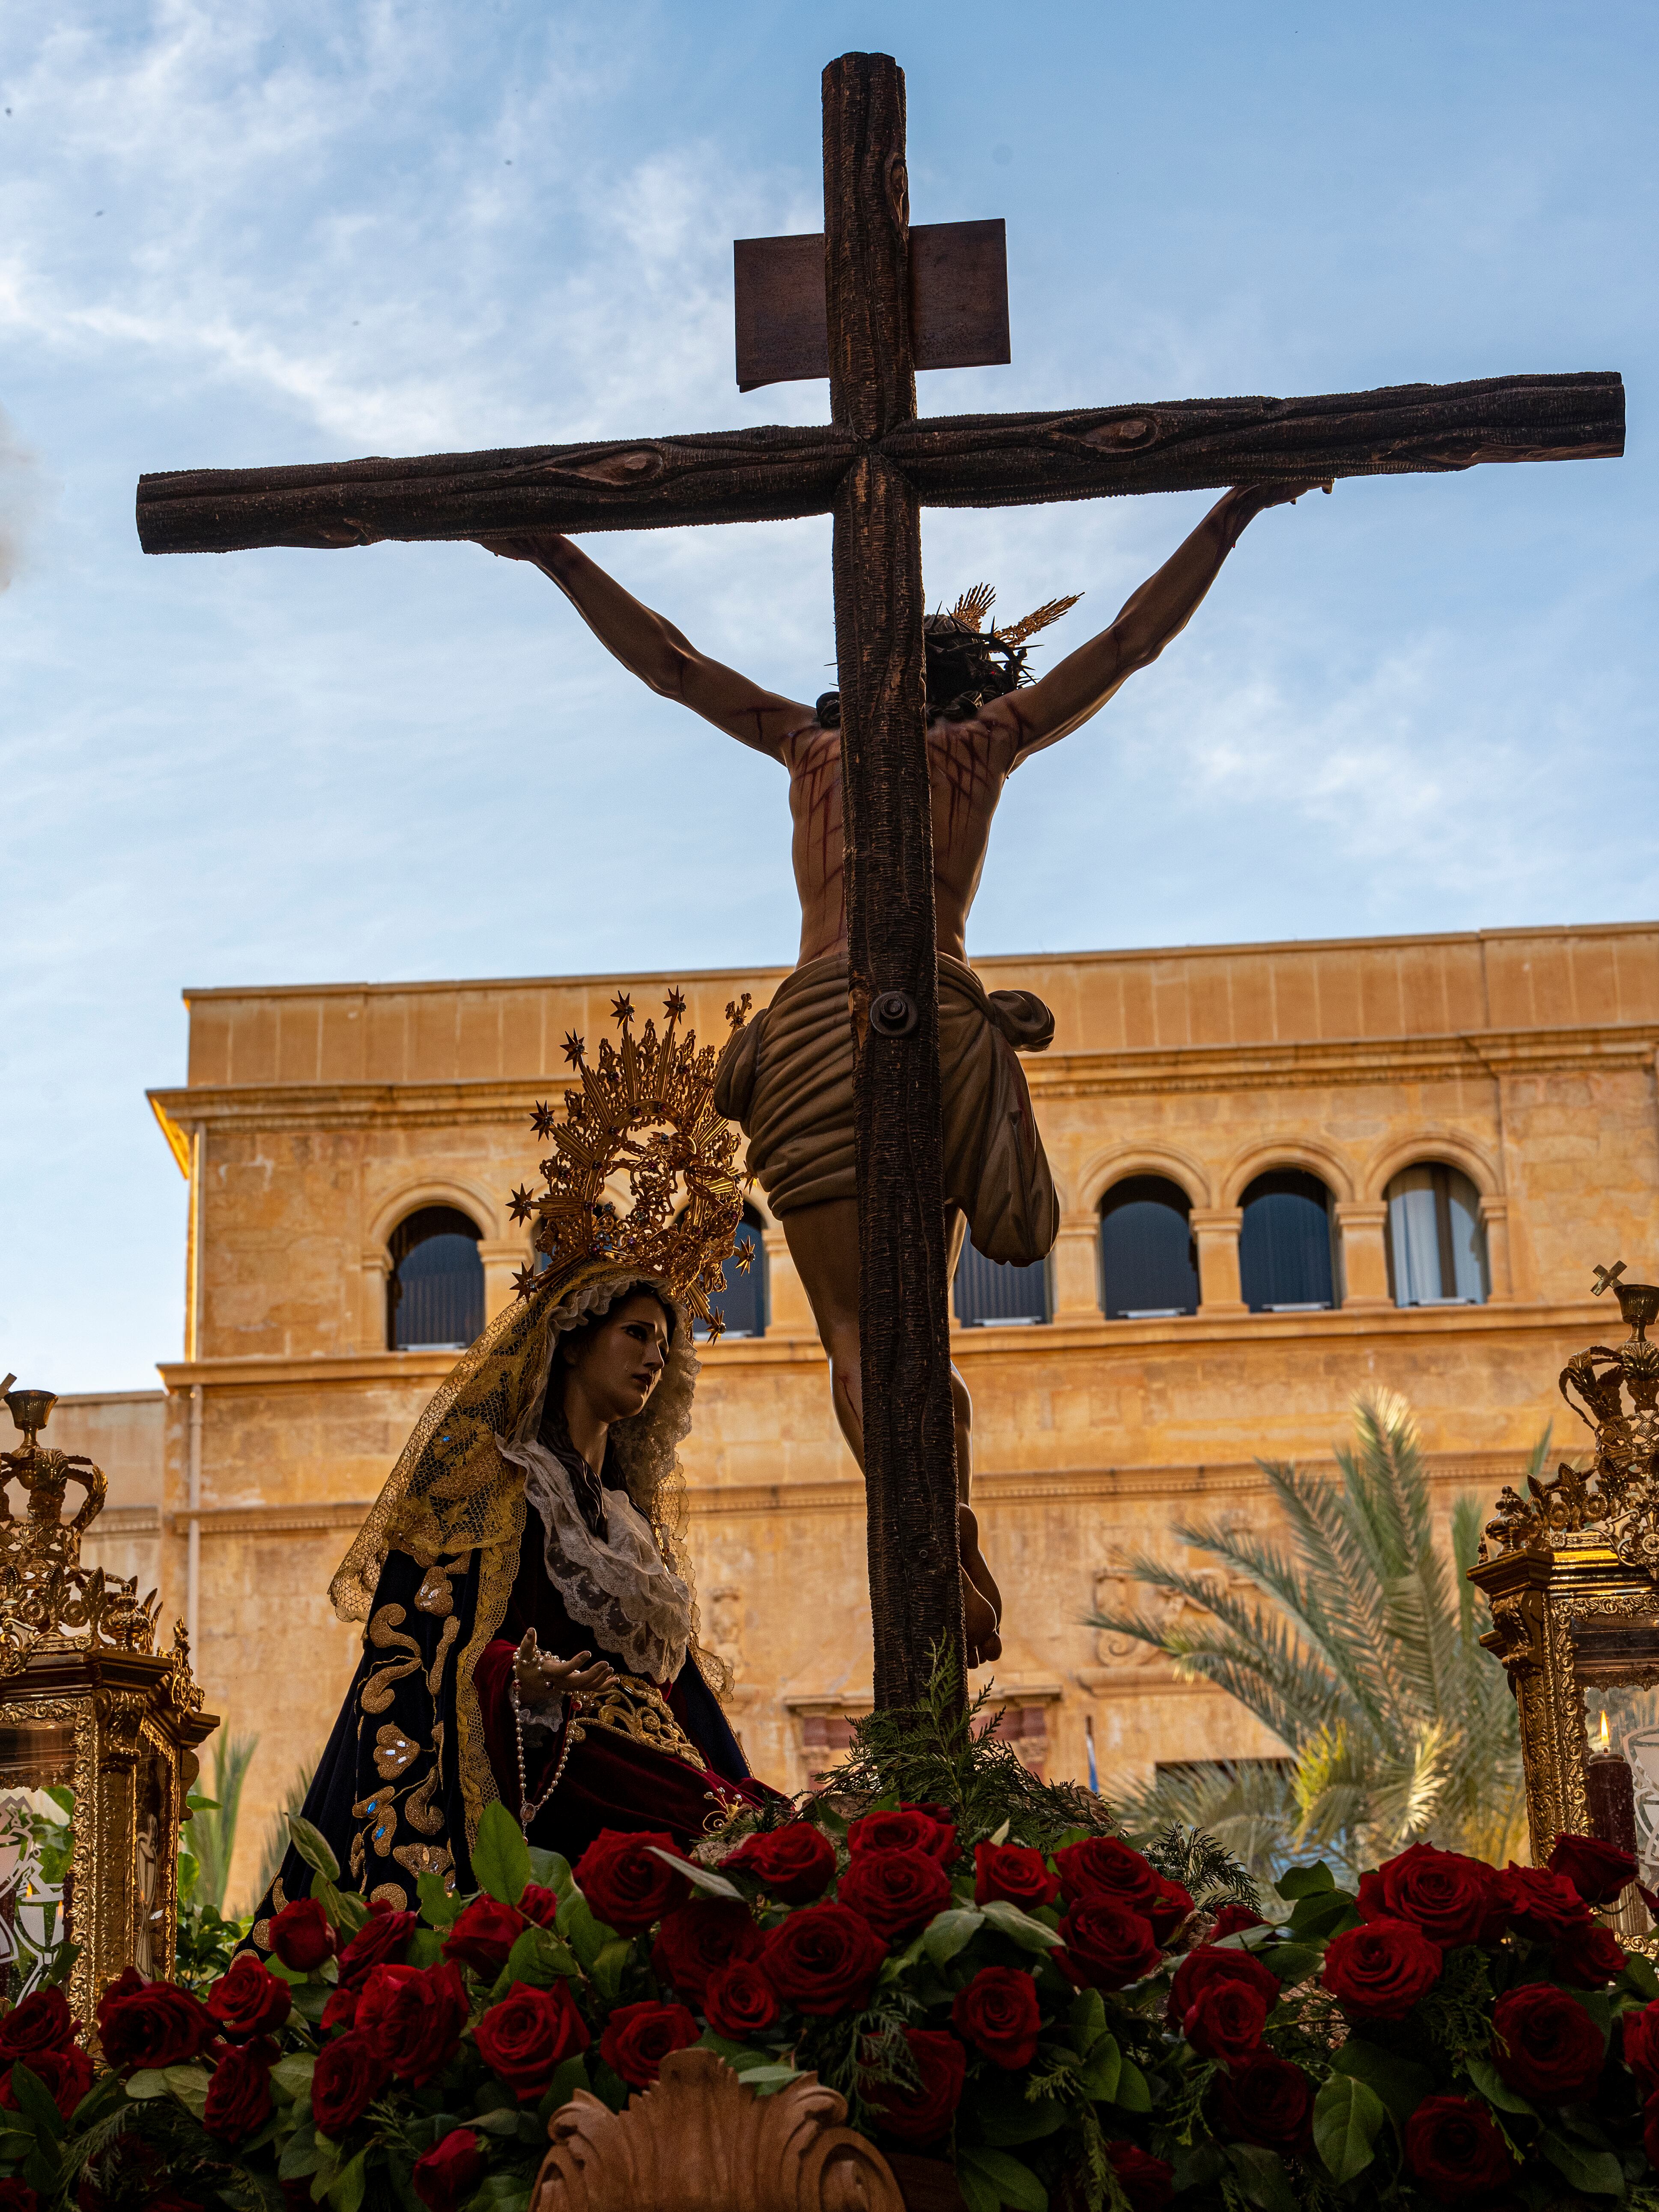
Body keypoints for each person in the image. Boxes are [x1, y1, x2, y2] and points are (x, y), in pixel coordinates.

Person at [479, 483, 1323, 1667]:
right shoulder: (983, 745)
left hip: (823, 1019)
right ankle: (949, 1531)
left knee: (858, 1340)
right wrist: (1234, 511)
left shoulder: (807, 745)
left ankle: (937, 1541)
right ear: (968, 680)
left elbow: (671, 663)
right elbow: (1134, 637)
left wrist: (557, 554)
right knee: (918, 1338)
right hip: (932, 1014)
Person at [248, 1252, 769, 1944]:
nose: (654, 1358)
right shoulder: (494, 1484)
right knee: (731, 1853)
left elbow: (679, 1692)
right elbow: (438, 1640)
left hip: (652, 1760)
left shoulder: (628, 1520)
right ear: (576, 1340)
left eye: (665, 1346)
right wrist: (517, 1682)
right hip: (563, 1756)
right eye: (636, 1334)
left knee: (771, 1838)